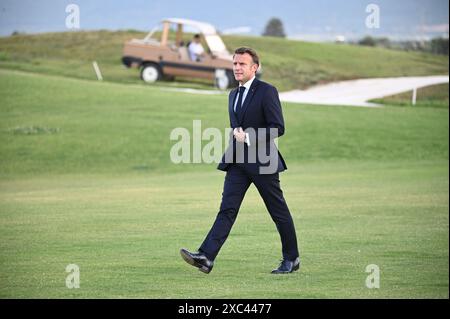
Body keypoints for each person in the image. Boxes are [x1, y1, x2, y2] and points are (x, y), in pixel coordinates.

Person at [180, 47, 300, 274]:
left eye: (242, 64)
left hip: (263, 161)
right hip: (237, 162)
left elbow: (277, 128)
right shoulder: (232, 95)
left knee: (278, 212)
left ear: (254, 68)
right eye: (235, 63)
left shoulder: (267, 91)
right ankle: (206, 257)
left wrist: (249, 137)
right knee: (227, 209)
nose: (237, 67)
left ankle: (292, 259)